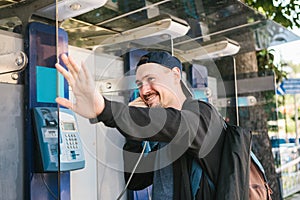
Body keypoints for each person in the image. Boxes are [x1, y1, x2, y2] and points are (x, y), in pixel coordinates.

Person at [55, 51, 251, 199]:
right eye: (139, 84)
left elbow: (172, 123)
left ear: (175, 75)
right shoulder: (163, 134)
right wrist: (135, 136)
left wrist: (106, 109)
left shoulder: (201, 115)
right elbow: (136, 181)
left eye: (151, 79)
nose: (144, 90)